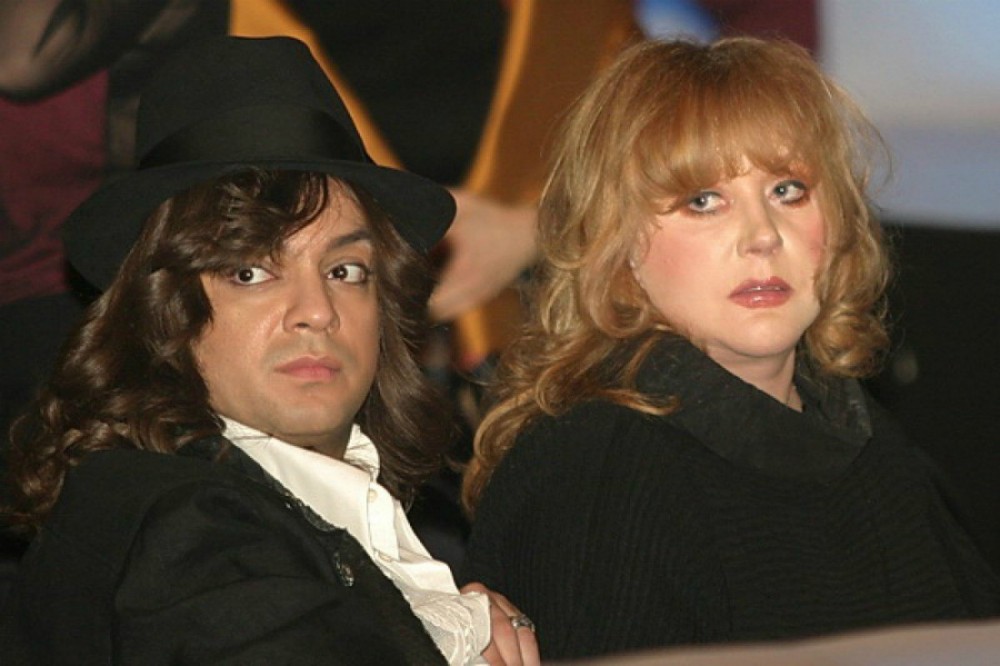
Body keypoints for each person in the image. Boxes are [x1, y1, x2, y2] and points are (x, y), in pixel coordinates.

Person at [0, 36, 538, 665]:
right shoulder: (183, 524)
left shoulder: (295, 509)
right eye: (250, 272)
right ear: (162, 310)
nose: (317, 311)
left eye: (345, 271)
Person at [460, 37, 1000, 660]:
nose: (762, 236)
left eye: (788, 190)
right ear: (617, 243)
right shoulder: (596, 468)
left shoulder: (873, 442)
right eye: (703, 201)